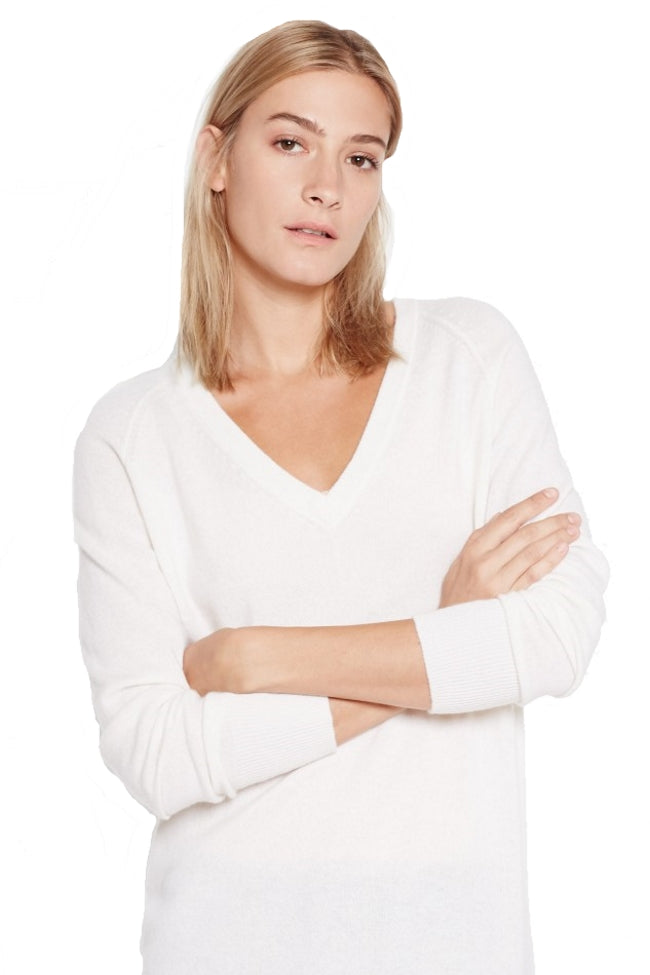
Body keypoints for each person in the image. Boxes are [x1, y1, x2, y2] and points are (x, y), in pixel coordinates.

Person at [73, 19, 608, 975]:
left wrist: (258, 657)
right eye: (291, 142)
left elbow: (556, 635)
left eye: (362, 158)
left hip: (455, 943)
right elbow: (158, 752)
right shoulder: (133, 437)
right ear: (216, 159)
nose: (329, 186)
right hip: (227, 942)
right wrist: (446, 635)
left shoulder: (466, 361)